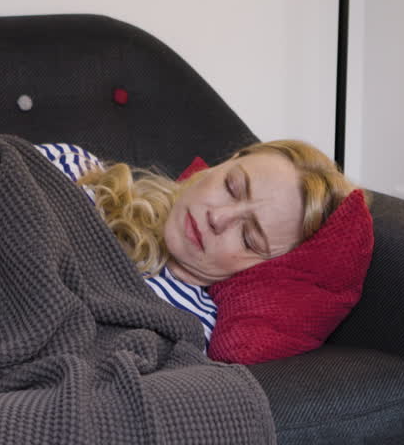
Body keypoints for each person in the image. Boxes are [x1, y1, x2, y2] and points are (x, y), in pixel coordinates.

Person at [34, 141, 357, 342]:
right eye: (232, 187)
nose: (218, 217)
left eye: (248, 238)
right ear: (223, 163)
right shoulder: (74, 165)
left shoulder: (188, 324)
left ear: (264, 270)